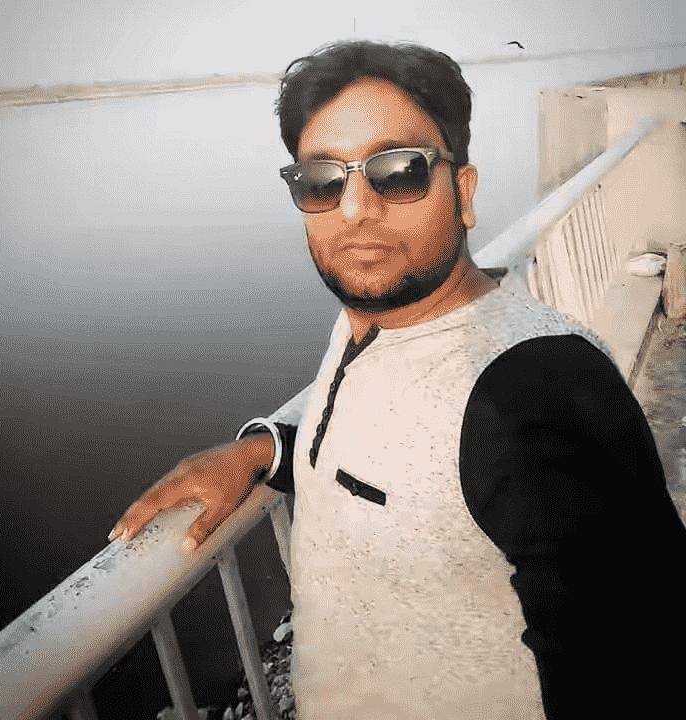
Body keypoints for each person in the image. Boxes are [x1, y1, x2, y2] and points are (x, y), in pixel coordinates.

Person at [108, 40, 686, 719]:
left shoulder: (534, 393)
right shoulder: (372, 319)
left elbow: (640, 669)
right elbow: (392, 459)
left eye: (399, 170)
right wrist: (263, 450)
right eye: (322, 180)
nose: (355, 208)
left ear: (463, 193)